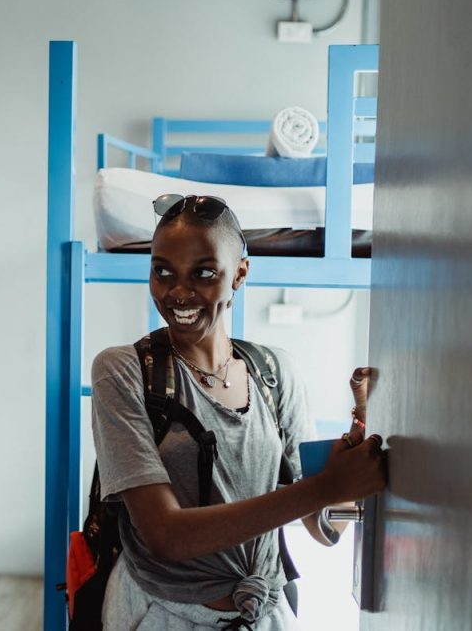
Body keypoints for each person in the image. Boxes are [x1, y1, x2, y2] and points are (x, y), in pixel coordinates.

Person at [91, 194, 385, 630]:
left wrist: (362, 428)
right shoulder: (124, 371)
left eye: (204, 273)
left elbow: (325, 528)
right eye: (162, 272)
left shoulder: (274, 373)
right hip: (162, 616)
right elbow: (165, 535)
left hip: (262, 614)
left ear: (240, 273)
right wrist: (325, 487)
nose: (178, 292)